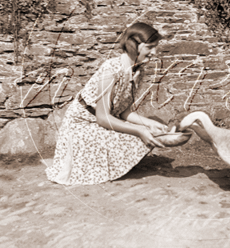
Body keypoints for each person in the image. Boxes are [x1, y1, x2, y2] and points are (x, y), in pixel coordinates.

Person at [46, 23, 169, 185]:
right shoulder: (110, 70)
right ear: (133, 46)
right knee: (141, 134)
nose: (154, 53)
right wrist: (140, 130)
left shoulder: (138, 71)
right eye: (150, 47)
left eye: (155, 47)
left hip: (101, 121)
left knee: (150, 132)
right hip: (82, 125)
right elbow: (103, 118)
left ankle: (107, 162)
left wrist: (150, 123)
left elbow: (124, 112)